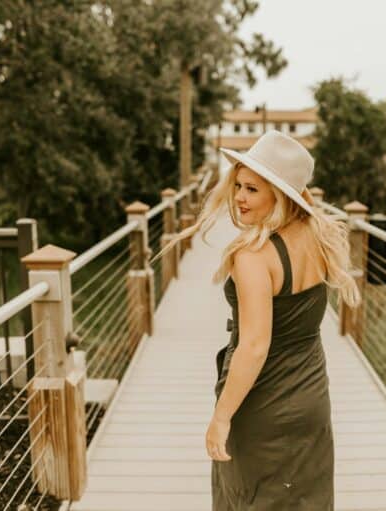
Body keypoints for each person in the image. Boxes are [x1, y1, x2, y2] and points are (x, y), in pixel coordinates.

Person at [154, 129, 361, 510]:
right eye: (238, 186)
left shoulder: (253, 256)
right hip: (311, 395)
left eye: (251, 189)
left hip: (264, 404)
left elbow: (253, 346)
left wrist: (221, 417)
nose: (238, 198)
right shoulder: (316, 237)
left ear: (279, 195)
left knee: (250, 499)